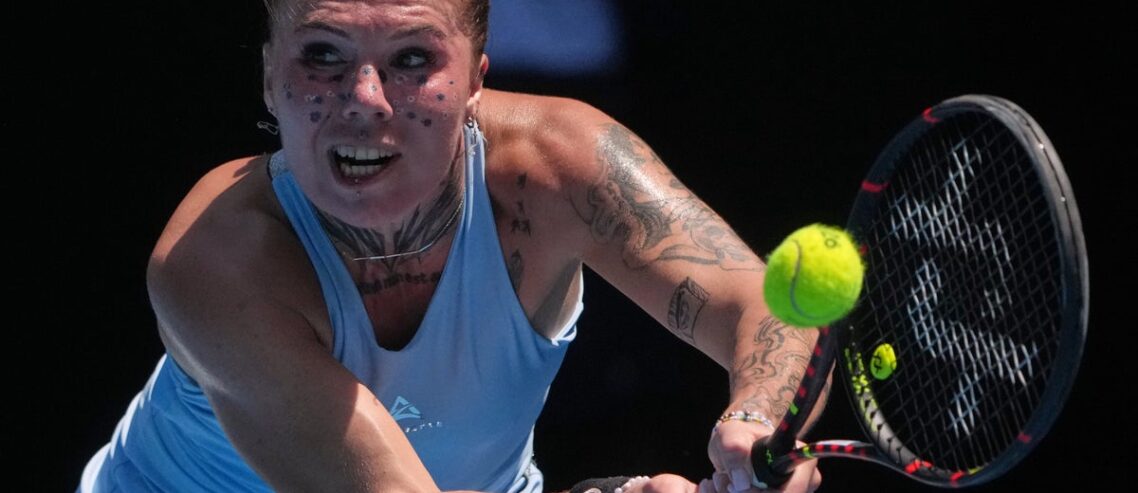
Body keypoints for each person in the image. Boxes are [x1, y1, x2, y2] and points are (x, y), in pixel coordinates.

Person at [78, 1, 823, 492]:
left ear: (475, 81)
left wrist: (759, 422)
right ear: (270, 80)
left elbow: (762, 303)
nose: (366, 99)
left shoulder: (559, 166)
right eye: (324, 55)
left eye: (412, 60)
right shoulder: (216, 258)